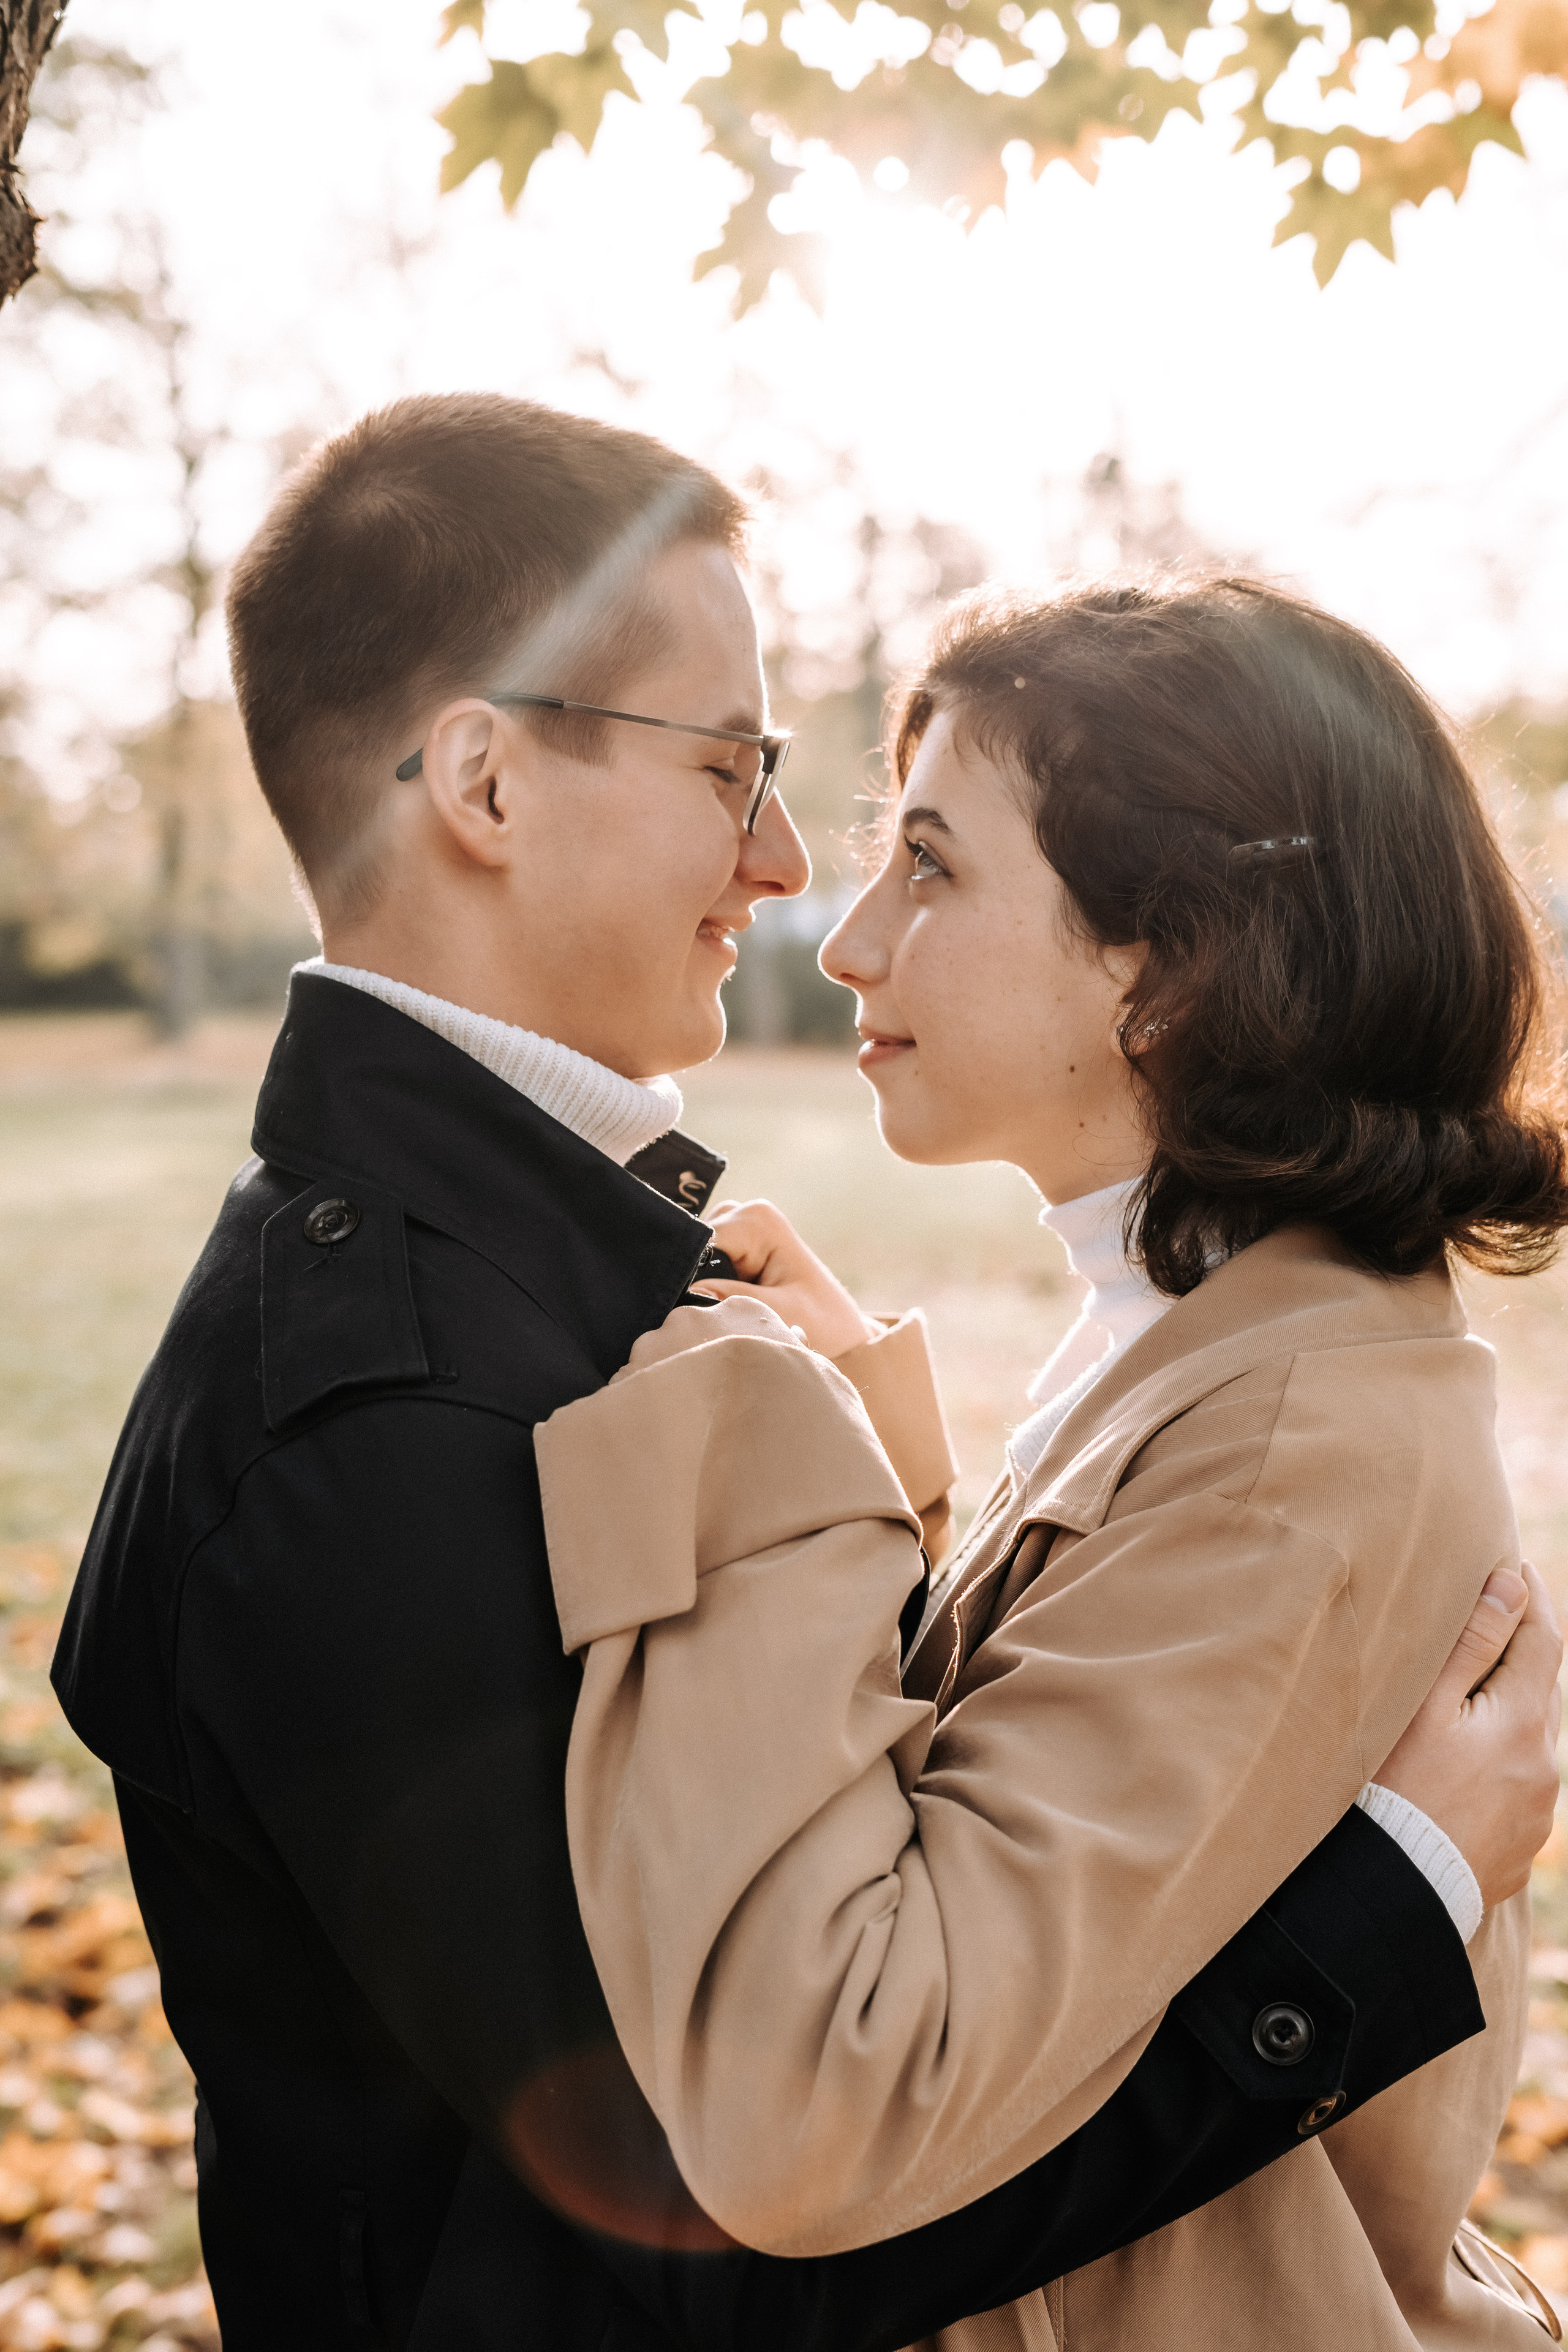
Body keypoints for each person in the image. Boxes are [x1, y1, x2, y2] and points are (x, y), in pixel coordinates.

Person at [47, 401, 1557, 2352]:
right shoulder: (407, 1416)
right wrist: (1390, 1905)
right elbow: (754, 2224)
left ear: (1167, 967)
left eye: (913, 857)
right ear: (489, 789)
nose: (797, 888)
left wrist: (859, 1496)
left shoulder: (565, 1308)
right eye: (737, 767)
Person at [532, 576, 1568, 2350]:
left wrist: (757, 1446)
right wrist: (882, 1467)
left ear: (1170, 964)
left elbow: (837, 2098)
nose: (851, 939)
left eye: (932, 865)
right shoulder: (1205, 1330)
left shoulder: (1290, 1451)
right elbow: (1052, 1892)